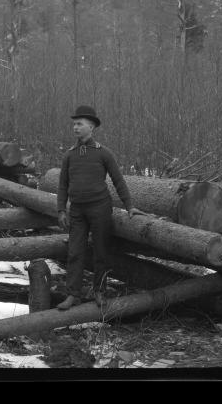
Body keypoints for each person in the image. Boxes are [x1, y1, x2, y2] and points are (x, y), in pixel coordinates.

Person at [56, 106, 145, 310]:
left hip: (100, 208)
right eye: (74, 124)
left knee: (101, 252)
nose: (75, 127)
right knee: (75, 252)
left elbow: (118, 180)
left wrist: (129, 206)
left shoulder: (103, 153)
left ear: (91, 126)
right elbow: (62, 184)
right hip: (77, 210)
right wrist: (61, 209)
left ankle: (100, 291)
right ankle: (73, 295)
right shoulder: (70, 155)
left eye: (79, 124)